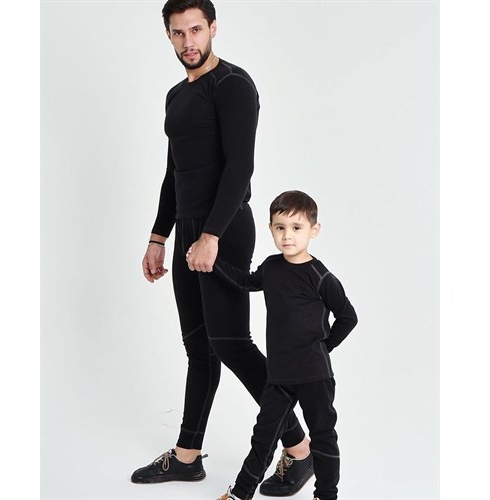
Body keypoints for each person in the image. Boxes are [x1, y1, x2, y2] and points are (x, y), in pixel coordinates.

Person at [131, 1, 314, 495]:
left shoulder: (232, 85)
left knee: (231, 344)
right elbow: (174, 173)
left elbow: (240, 168)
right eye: (178, 33)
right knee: (199, 347)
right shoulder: (176, 96)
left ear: (213, 28)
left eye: (196, 30)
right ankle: (187, 456)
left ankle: (301, 449)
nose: (188, 41)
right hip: (188, 229)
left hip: (225, 227)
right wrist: (159, 236)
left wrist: (211, 235)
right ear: (168, 37)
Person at [189, 190, 358, 500]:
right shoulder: (271, 267)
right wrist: (213, 263)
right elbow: (245, 282)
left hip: (314, 375)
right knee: (263, 438)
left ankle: (326, 495)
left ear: (314, 230)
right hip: (279, 376)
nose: (287, 236)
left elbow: (348, 317)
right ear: (270, 229)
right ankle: (240, 494)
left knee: (323, 437)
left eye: (296, 228)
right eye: (280, 227)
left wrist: (324, 347)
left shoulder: (321, 277)